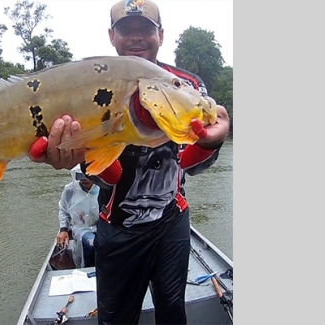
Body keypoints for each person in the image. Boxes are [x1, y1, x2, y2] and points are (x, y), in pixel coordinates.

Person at [28, 1, 231, 324]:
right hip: (118, 224)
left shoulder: (186, 86)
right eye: (126, 31)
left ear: (161, 35)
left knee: (172, 309)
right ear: (112, 36)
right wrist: (81, 154)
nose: (136, 38)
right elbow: (109, 178)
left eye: (145, 30)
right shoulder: (90, 84)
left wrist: (211, 141)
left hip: (171, 220)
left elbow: (190, 165)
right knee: (116, 318)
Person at [56, 165, 100, 268]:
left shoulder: (104, 187)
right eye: (80, 176)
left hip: (102, 226)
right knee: (90, 243)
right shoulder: (70, 190)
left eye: (87, 176)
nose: (84, 179)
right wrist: (63, 230)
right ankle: (88, 271)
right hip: (82, 228)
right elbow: (64, 211)